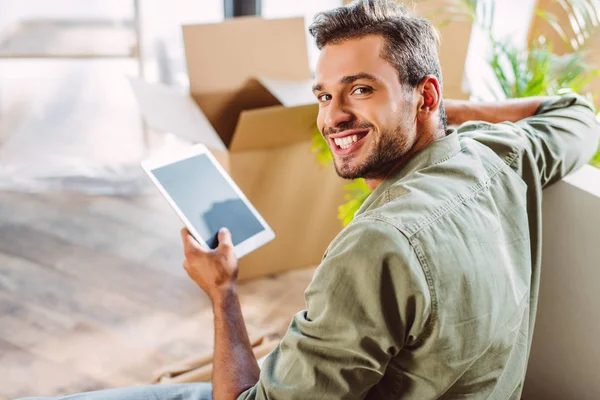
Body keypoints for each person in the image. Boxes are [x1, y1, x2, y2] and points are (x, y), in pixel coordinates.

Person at [22, 0, 600, 399]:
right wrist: (442, 114)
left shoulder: (378, 246)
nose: (333, 115)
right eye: (324, 93)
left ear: (423, 93)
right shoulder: (500, 154)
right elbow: (577, 114)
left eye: (362, 89)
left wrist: (222, 292)